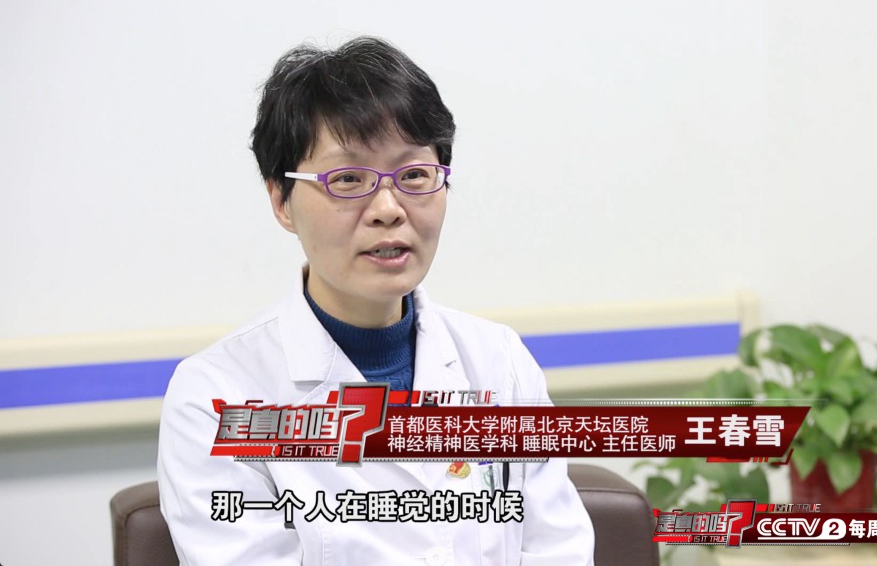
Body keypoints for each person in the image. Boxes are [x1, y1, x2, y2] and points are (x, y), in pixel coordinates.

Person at [157, 36, 596, 565]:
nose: (388, 207)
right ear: (281, 201)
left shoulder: (500, 363)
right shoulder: (216, 397)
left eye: (413, 175)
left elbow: (559, 550)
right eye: (348, 179)